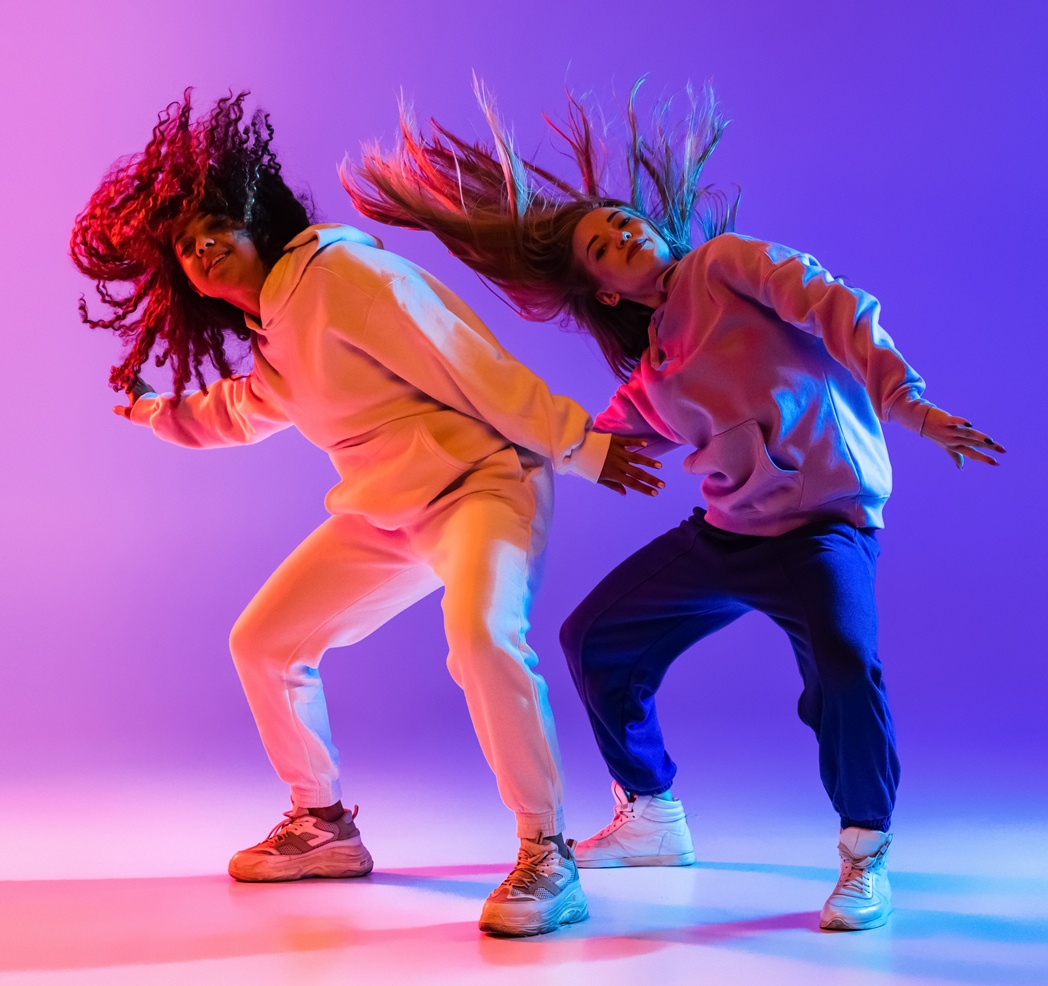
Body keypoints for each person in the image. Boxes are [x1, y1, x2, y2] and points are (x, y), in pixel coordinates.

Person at [343, 79, 1006, 931]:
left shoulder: (726, 265)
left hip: (823, 531)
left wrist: (905, 400)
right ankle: (652, 815)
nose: (625, 232)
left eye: (624, 220)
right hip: (730, 537)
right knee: (595, 638)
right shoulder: (655, 372)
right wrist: (466, 438)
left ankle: (864, 851)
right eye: (602, 245)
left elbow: (833, 303)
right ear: (603, 290)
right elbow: (588, 439)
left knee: (844, 664)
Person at [70, 90, 665, 938]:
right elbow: (240, 410)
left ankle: (546, 853)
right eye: (188, 247)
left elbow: (472, 364)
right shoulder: (277, 331)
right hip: (390, 513)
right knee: (265, 641)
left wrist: (581, 444)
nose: (203, 248)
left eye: (218, 227)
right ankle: (323, 826)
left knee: (483, 638)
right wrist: (154, 412)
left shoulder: (340, 278)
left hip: (482, 487)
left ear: (258, 222)